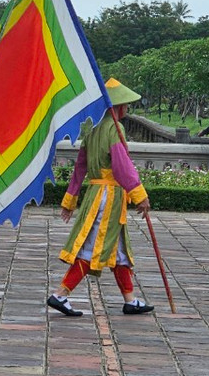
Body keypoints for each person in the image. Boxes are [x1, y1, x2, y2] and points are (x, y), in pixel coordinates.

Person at [47, 78, 154, 318]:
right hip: (109, 195)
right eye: (125, 104)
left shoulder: (92, 128)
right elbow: (122, 166)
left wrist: (70, 200)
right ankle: (61, 294)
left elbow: (80, 168)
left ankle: (130, 300)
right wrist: (140, 195)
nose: (127, 108)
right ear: (118, 106)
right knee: (93, 248)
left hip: (96, 194)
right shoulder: (115, 128)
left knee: (119, 250)